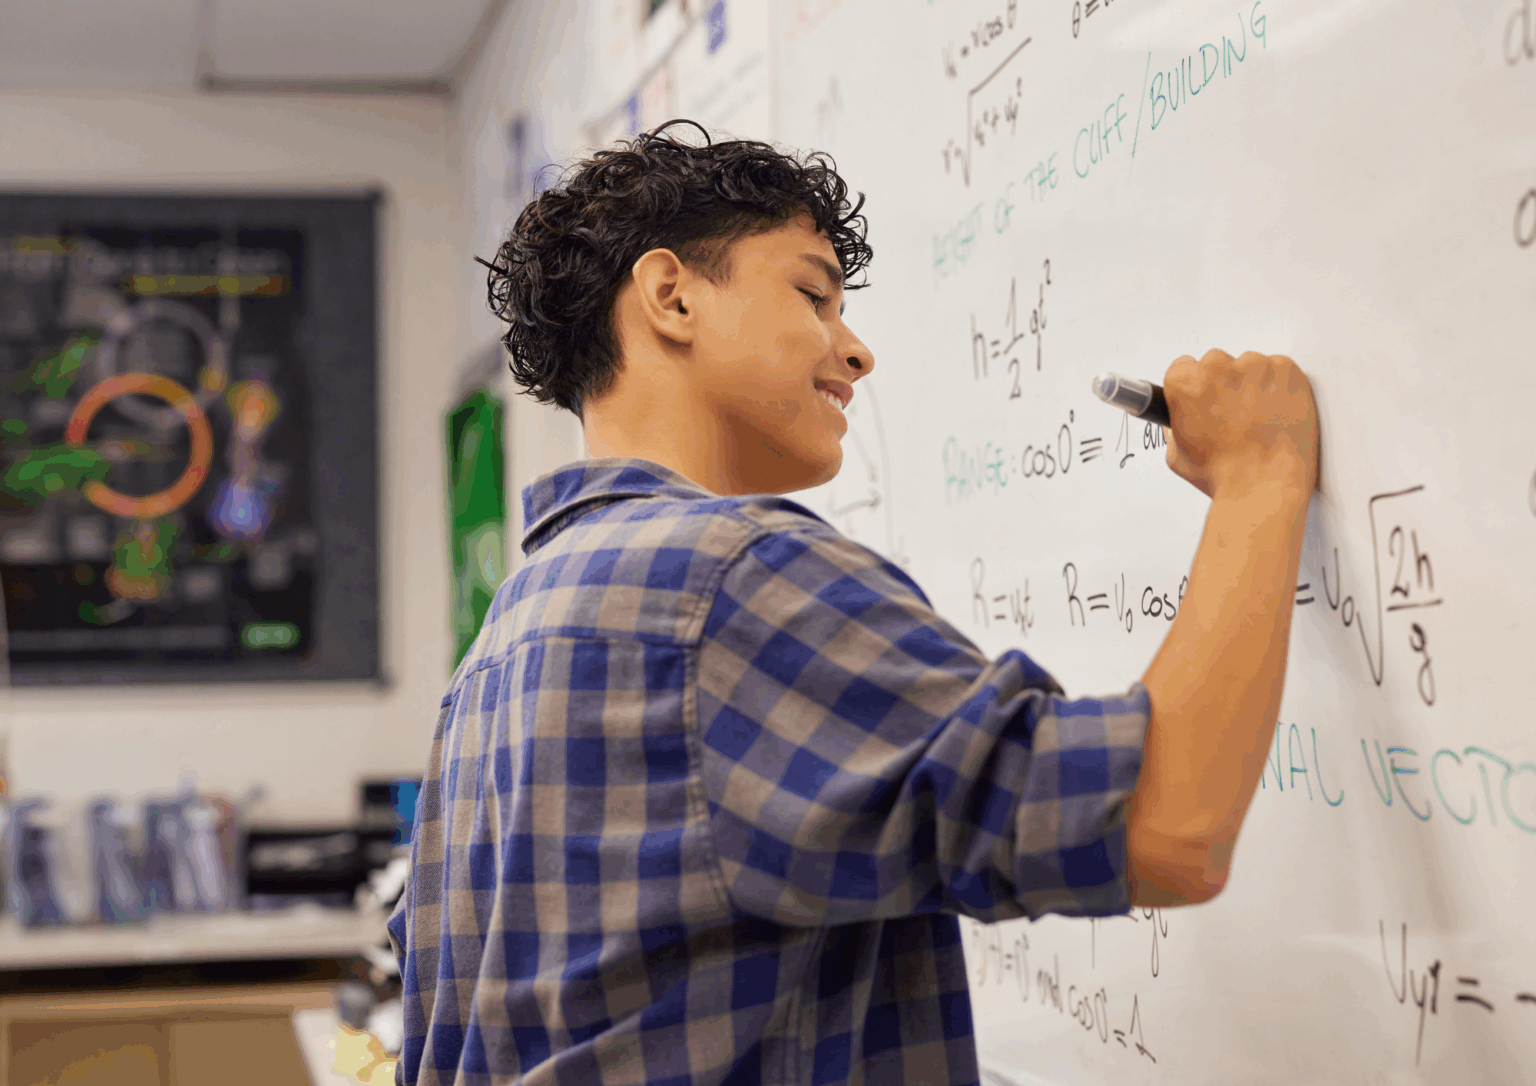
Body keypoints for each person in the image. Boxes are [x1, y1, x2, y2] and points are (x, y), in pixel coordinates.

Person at [388, 120, 1319, 1086]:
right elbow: (1163, 827)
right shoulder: (726, 580)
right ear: (671, 296)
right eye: (812, 295)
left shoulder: (508, 635)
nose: (856, 350)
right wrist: (1259, 476)